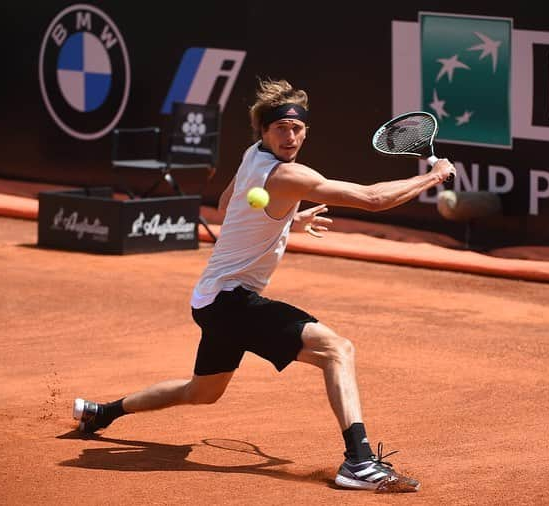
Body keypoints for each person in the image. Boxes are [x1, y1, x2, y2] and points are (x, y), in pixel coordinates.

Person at [73, 78, 456, 493]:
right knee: (337, 350)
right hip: (230, 300)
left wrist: (285, 219)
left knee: (201, 392)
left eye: (296, 128)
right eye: (280, 129)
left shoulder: (251, 157)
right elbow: (373, 199)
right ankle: (359, 463)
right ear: (264, 131)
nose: (289, 136)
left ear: (306, 130)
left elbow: (226, 206)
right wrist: (434, 176)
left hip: (209, 300)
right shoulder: (289, 175)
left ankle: (103, 412)